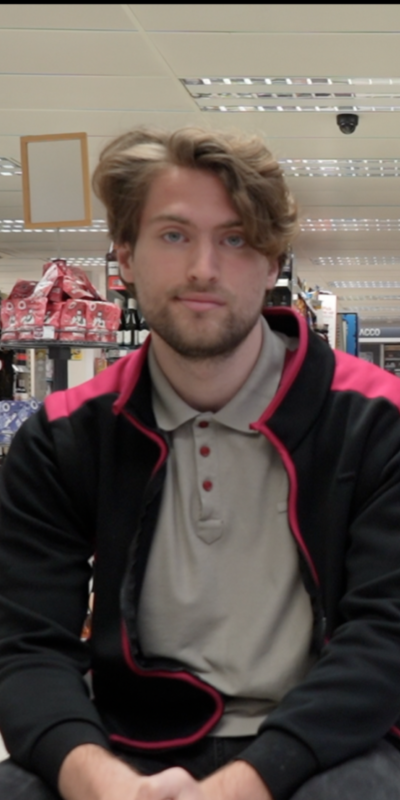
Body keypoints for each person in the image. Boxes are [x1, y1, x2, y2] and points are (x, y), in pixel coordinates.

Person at [0, 127, 400, 800]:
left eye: (236, 238)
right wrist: (96, 780)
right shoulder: (64, 436)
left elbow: (386, 637)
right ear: (124, 255)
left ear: (272, 260)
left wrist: (248, 784)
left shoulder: (375, 422)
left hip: (322, 742)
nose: (204, 269)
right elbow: (26, 647)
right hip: (130, 738)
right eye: (174, 235)